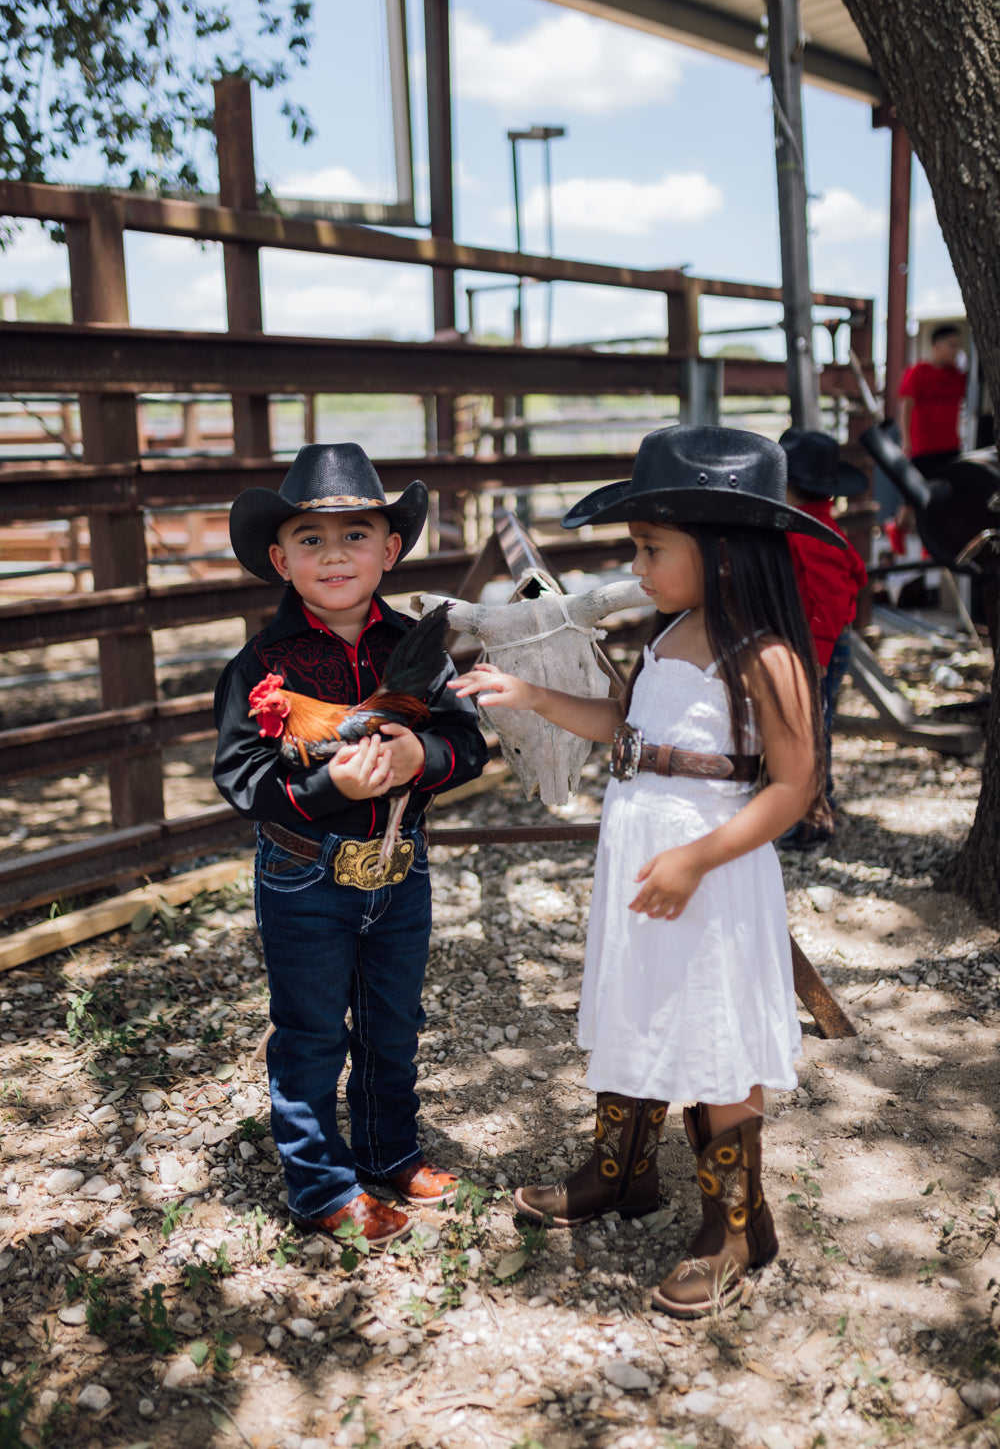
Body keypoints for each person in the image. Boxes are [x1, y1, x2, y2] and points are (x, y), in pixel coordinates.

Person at [451, 424, 844, 1319]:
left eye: (650, 548)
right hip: (643, 862)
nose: (636, 564)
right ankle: (622, 1174)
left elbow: (793, 787)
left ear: (724, 552)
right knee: (639, 1003)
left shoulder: (766, 656)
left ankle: (737, 1224)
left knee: (713, 1030)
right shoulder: (668, 637)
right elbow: (625, 728)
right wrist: (532, 697)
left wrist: (698, 857)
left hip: (708, 872)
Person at [214, 442, 489, 1245]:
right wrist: (332, 787)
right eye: (311, 539)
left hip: (403, 869)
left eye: (355, 535)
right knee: (309, 1031)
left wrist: (421, 757)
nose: (334, 555)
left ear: (390, 549)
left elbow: (468, 744)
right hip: (304, 875)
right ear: (279, 558)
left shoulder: (419, 648)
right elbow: (240, 776)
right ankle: (320, 1184)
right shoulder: (260, 664)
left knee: (393, 1020)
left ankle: (387, 1148)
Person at [778, 428, 868, 849]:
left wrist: (816, 658)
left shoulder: (809, 532)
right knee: (806, 726)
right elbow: (858, 576)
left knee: (810, 728)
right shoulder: (817, 525)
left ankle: (814, 815)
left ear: (787, 485)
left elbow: (831, 599)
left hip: (816, 647)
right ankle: (806, 803)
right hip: (814, 643)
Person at [890, 323, 967, 543]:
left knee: (945, 498)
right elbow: (905, 407)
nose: (956, 350)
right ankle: (896, 531)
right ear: (936, 346)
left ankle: (933, 543)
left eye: (958, 346)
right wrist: (906, 441)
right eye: (952, 345)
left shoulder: (957, 376)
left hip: (950, 447)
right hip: (923, 448)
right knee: (913, 500)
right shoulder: (919, 371)